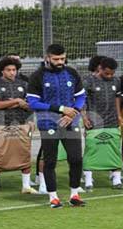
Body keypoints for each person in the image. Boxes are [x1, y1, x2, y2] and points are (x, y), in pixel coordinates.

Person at [27, 44, 87, 208]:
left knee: (76, 158)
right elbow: (32, 102)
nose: (60, 61)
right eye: (56, 59)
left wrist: (73, 112)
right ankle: (53, 197)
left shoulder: (72, 73)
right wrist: (60, 109)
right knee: (50, 161)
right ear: (47, 58)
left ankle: (74, 195)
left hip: (71, 122)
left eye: (62, 58)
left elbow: (81, 96)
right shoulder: (37, 76)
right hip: (48, 123)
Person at [0, 56, 37, 195]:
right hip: (2, 124)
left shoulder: (24, 84)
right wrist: (16, 101)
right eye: (8, 70)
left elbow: (30, 105)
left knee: (24, 153)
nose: (12, 72)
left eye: (14, 70)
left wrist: (31, 119)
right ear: (2, 71)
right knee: (0, 154)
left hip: (22, 123)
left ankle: (26, 186)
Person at [82, 56, 123, 191]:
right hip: (94, 121)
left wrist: (119, 115)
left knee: (114, 148)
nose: (110, 76)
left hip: (112, 120)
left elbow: (117, 98)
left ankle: (117, 180)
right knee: (92, 149)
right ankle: (88, 180)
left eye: (112, 73)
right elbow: (81, 101)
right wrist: (84, 117)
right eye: (107, 73)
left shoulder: (117, 81)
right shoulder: (88, 81)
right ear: (100, 68)